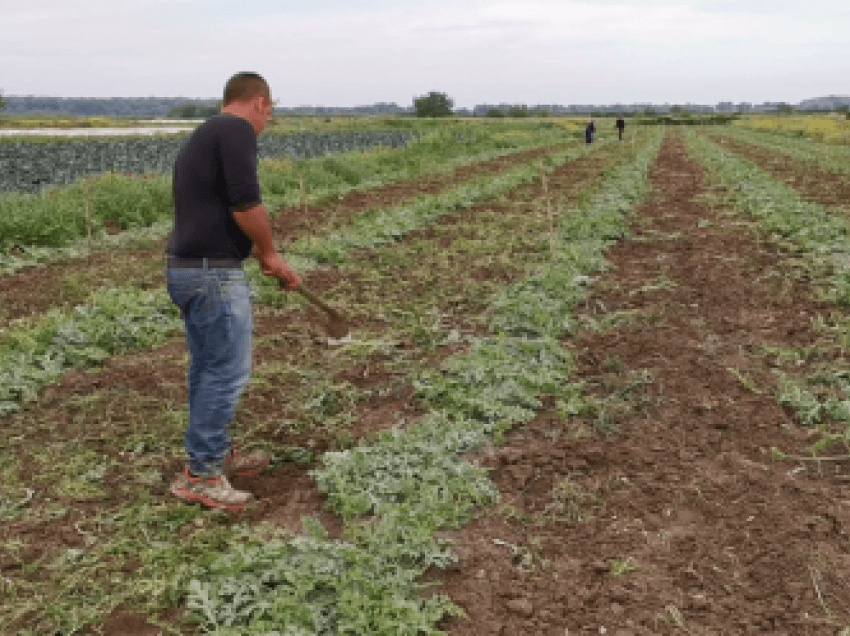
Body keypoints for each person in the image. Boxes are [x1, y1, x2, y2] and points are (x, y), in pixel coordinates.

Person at [166, 72, 301, 511]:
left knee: (208, 369)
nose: (267, 121)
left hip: (188, 270)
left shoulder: (207, 132)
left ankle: (215, 452)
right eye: (270, 112)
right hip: (212, 275)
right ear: (259, 102)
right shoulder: (236, 130)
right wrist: (270, 253)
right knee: (226, 372)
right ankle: (200, 475)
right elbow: (246, 202)